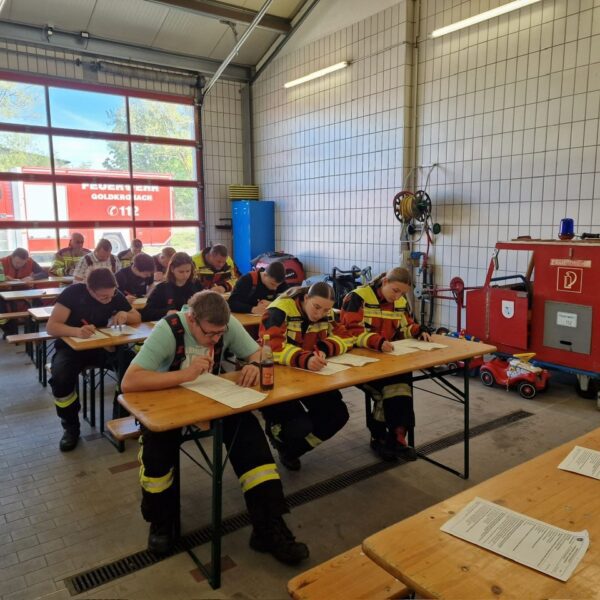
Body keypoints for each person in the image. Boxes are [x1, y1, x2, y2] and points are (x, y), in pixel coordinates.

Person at [121, 291, 309, 564]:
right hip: (167, 405)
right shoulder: (168, 329)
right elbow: (130, 382)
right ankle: (161, 522)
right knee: (157, 455)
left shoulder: (226, 324)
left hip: (213, 400)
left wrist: (254, 364)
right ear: (192, 319)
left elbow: (259, 352)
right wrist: (184, 375)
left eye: (220, 334)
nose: (216, 340)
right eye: (209, 334)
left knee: (252, 444)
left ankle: (269, 528)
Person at [259, 282, 353, 471]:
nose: (320, 314)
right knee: (299, 426)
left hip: (309, 376)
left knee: (337, 415)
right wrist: (305, 358)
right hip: (277, 380)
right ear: (306, 298)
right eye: (316, 307)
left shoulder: (328, 313)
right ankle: (276, 431)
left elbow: (347, 338)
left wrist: (325, 348)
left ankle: (292, 450)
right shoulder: (278, 311)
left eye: (325, 310)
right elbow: (270, 348)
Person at [340, 267, 431, 461]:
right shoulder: (357, 298)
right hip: (358, 363)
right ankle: (380, 437)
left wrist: (418, 330)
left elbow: (404, 327)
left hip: (386, 361)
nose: (397, 296)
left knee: (403, 386)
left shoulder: (400, 302)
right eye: (395, 290)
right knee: (389, 390)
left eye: (402, 293)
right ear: (385, 282)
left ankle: (398, 436)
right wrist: (377, 341)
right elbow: (350, 332)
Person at [46, 268, 141, 452]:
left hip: (105, 347)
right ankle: (70, 427)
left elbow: (137, 316)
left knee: (133, 368)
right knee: (61, 379)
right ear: (89, 289)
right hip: (72, 348)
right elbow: (52, 326)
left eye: (111, 295)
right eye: (103, 297)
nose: (109, 300)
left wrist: (125, 315)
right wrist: (76, 331)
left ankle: (120, 418)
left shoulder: (113, 294)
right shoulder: (73, 293)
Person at [0, 248, 47, 336]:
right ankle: (10, 332)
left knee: (38, 302)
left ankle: (30, 333)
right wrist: (3, 279)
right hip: (4, 292)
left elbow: (44, 273)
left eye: (22, 263)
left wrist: (32, 277)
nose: (19, 265)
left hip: (25, 290)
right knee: (3, 309)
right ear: (12, 257)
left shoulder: (30, 262)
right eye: (17, 262)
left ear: (26, 260)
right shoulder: (2, 262)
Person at [140, 252, 197, 322]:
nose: (185, 275)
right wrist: (166, 312)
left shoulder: (196, 284)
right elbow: (145, 314)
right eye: (181, 272)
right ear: (172, 269)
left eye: (188, 271)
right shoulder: (161, 288)